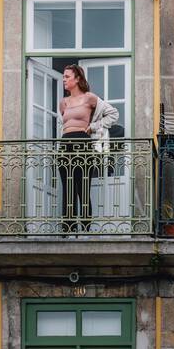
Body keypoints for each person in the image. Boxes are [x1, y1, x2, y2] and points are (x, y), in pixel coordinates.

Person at [57, 64, 118, 233]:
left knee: (82, 187)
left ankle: (85, 228)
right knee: (67, 188)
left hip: (83, 143)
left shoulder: (89, 98)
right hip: (65, 144)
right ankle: (68, 228)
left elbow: (113, 113)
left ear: (77, 79)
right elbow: (63, 124)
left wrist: (93, 127)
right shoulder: (63, 103)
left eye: (67, 76)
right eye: (63, 77)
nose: (64, 79)